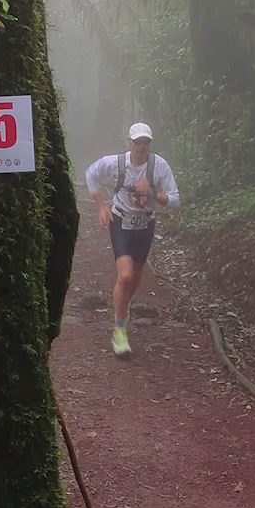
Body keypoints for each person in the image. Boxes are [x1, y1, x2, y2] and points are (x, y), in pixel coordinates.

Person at [84, 122, 180, 357]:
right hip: (121, 222)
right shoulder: (117, 163)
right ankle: (119, 330)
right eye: (137, 142)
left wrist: (153, 193)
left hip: (145, 225)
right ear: (129, 142)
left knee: (134, 279)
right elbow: (90, 174)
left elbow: (176, 200)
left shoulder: (159, 166)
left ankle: (122, 310)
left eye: (145, 143)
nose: (141, 147)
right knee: (125, 275)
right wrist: (101, 206)